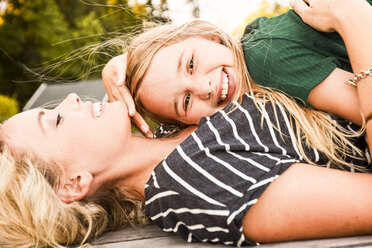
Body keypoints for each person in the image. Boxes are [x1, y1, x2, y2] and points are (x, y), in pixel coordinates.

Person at [1, 0, 372, 247]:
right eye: (56, 119)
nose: (70, 100)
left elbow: (211, 67)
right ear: (74, 183)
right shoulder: (191, 182)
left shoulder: (166, 135)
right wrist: (355, 19)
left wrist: (128, 62)